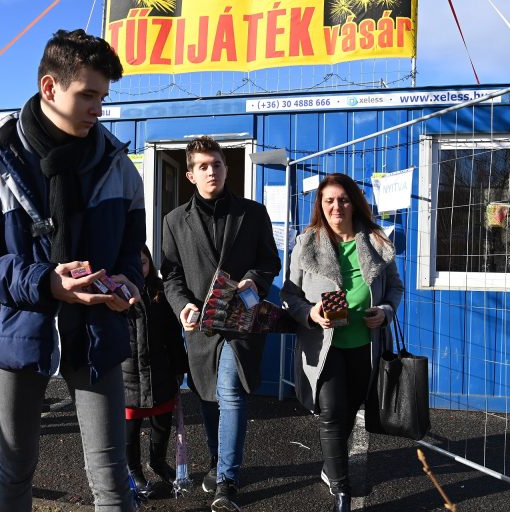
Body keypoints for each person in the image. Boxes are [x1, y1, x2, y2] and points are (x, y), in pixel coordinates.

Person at [0, 29, 145, 512]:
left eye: (104, 97)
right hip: (18, 329)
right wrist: (44, 283)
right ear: (50, 88)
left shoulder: (120, 165)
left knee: (112, 477)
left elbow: (131, 253)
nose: (100, 109)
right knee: (14, 469)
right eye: (89, 95)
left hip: (96, 330)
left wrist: (124, 284)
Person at [160, 136, 281, 512]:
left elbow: (269, 261)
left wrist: (253, 281)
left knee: (230, 391)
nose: (212, 171)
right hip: (201, 328)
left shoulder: (253, 213)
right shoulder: (174, 221)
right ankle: (216, 460)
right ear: (191, 174)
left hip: (241, 324)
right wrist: (182, 307)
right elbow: (171, 276)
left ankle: (227, 480)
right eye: (203, 166)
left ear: (226, 168)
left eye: (217, 164)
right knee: (207, 397)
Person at [280, 173, 403, 512]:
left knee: (349, 413)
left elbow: (396, 288)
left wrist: (385, 311)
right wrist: (311, 313)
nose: (336, 206)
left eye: (343, 199)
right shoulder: (307, 243)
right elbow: (289, 295)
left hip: (365, 346)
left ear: (354, 203)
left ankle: (329, 467)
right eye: (329, 200)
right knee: (332, 414)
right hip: (324, 348)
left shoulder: (377, 242)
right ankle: (342, 490)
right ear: (320, 205)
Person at [122, 245, 188, 496]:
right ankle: (134, 469)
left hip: (161, 371)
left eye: (144, 262)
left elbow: (174, 335)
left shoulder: (160, 290)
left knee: (162, 423)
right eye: (134, 263)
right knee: (131, 428)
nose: (139, 268)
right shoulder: (117, 291)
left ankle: (157, 462)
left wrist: (179, 367)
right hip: (127, 375)